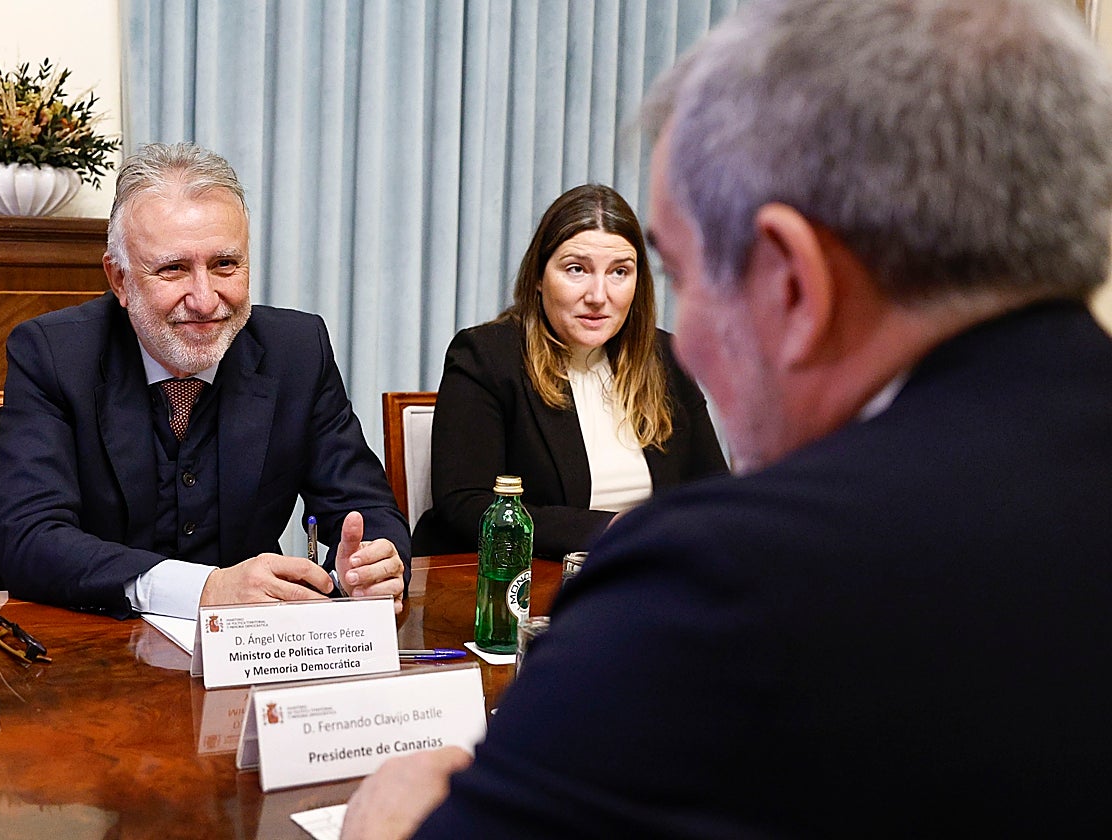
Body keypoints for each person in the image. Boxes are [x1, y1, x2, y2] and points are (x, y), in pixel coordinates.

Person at [342, 0, 1112, 836]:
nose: (682, 335)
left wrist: (387, 824)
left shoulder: (716, 588)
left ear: (791, 283)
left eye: (676, 272)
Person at [0, 142, 410, 620]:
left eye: (225, 264)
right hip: (72, 642)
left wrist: (374, 566)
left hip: (249, 653)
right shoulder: (53, 354)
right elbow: (30, 537)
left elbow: (366, 507)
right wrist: (201, 588)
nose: (205, 301)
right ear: (119, 279)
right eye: (173, 269)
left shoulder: (297, 350)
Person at [412, 184, 726, 558]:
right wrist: (610, 530)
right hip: (523, 585)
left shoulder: (668, 359)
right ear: (539, 278)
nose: (598, 295)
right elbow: (466, 505)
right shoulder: (487, 356)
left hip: (648, 580)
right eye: (576, 269)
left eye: (619, 272)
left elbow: (714, 492)